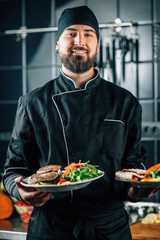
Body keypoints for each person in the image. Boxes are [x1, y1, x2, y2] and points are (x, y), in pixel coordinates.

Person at [3, 5, 160, 240]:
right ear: (57, 44)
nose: (80, 40)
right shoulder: (32, 102)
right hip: (51, 227)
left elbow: (133, 163)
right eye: (70, 33)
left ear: (97, 45)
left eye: (88, 34)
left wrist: (138, 189)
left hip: (109, 228)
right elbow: (13, 170)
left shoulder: (125, 102)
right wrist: (21, 192)